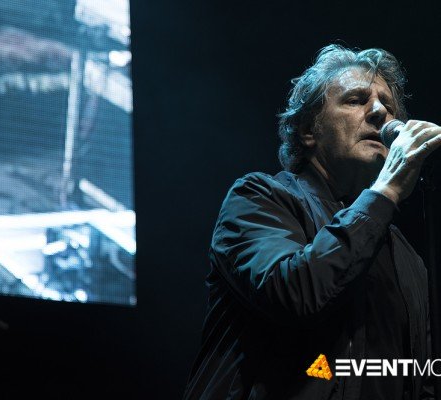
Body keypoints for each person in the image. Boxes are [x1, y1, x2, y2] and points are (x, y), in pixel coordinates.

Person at [183, 44, 441, 400]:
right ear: (308, 129)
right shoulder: (258, 199)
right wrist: (387, 189)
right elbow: (297, 293)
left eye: (388, 104)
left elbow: (422, 376)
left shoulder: (407, 257)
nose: (380, 112)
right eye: (355, 100)